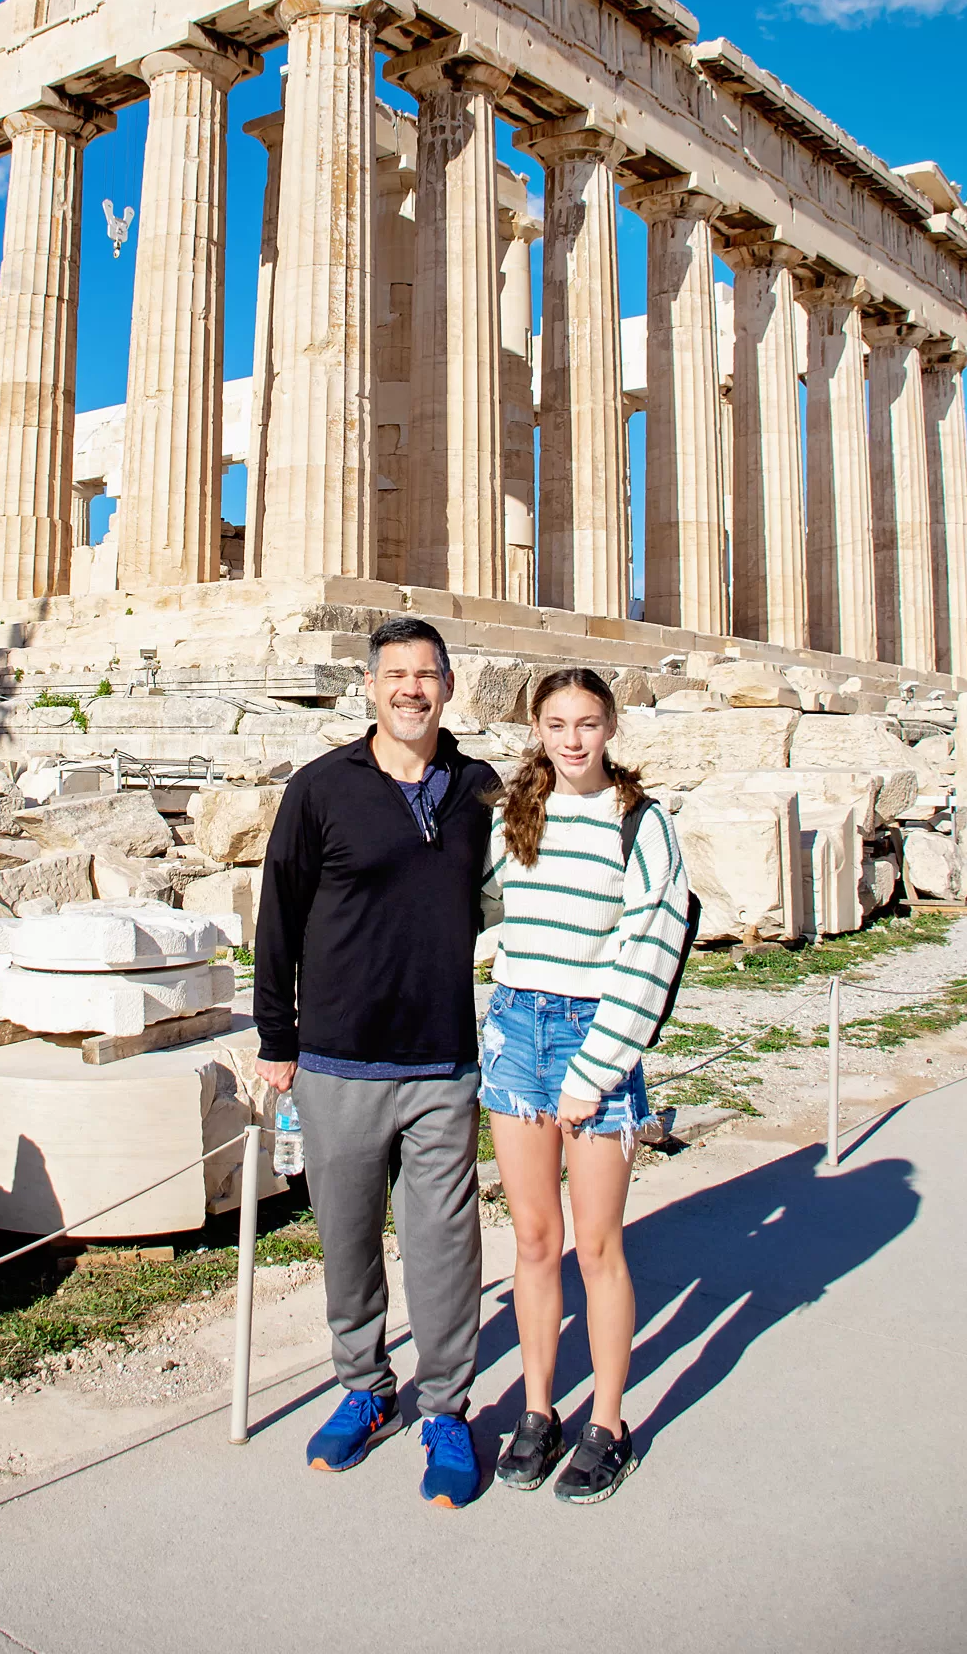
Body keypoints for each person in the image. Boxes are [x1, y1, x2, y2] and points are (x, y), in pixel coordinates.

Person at [253, 616, 499, 1510]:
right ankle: (364, 1388)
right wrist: (275, 1039)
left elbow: (530, 889)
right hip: (335, 1058)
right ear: (367, 687)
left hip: (442, 1061)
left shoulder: (479, 788)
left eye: (425, 674)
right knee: (347, 1244)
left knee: (445, 1249)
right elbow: (277, 913)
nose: (409, 688)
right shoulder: (320, 788)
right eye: (393, 673)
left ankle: (445, 1408)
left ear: (447, 686)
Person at [479, 665, 691, 1503]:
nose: (572, 738)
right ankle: (538, 1411)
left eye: (588, 722)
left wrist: (597, 1069)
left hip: (588, 1039)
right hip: (512, 1032)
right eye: (557, 722)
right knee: (533, 1240)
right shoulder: (513, 819)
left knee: (596, 1246)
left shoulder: (641, 825)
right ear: (536, 728)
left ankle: (607, 1422)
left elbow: (649, 952)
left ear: (611, 728)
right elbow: (483, 908)